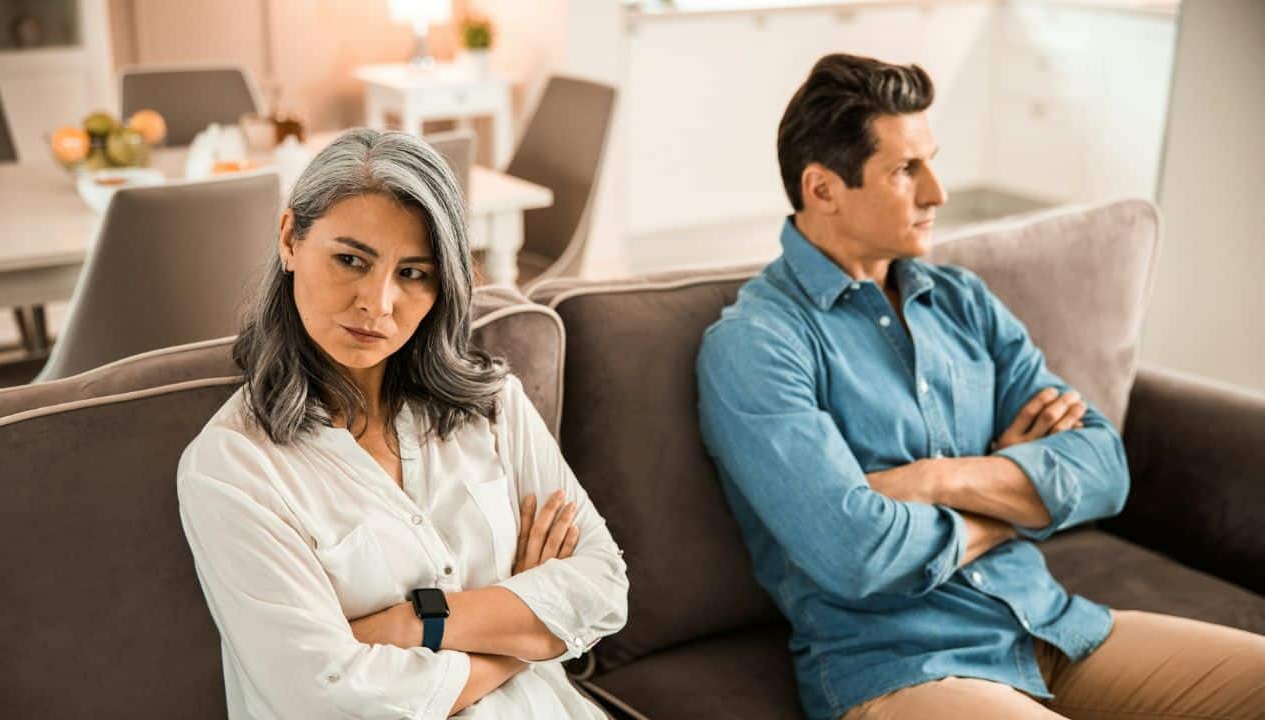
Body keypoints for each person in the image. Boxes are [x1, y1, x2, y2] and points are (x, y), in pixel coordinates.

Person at [695, 53, 1265, 720]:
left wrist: (936, 479)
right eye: (906, 170)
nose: (938, 192)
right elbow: (858, 554)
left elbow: (1104, 470)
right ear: (823, 189)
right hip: (904, 667)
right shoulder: (757, 344)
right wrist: (1016, 497)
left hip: (1049, 627)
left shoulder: (960, 299)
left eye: (931, 160)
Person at [177, 128, 628, 719]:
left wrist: (414, 623)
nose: (378, 302)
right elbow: (330, 697)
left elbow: (602, 587)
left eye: (413, 273)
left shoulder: (493, 407)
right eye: (350, 260)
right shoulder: (232, 469)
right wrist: (521, 638)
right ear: (290, 238)